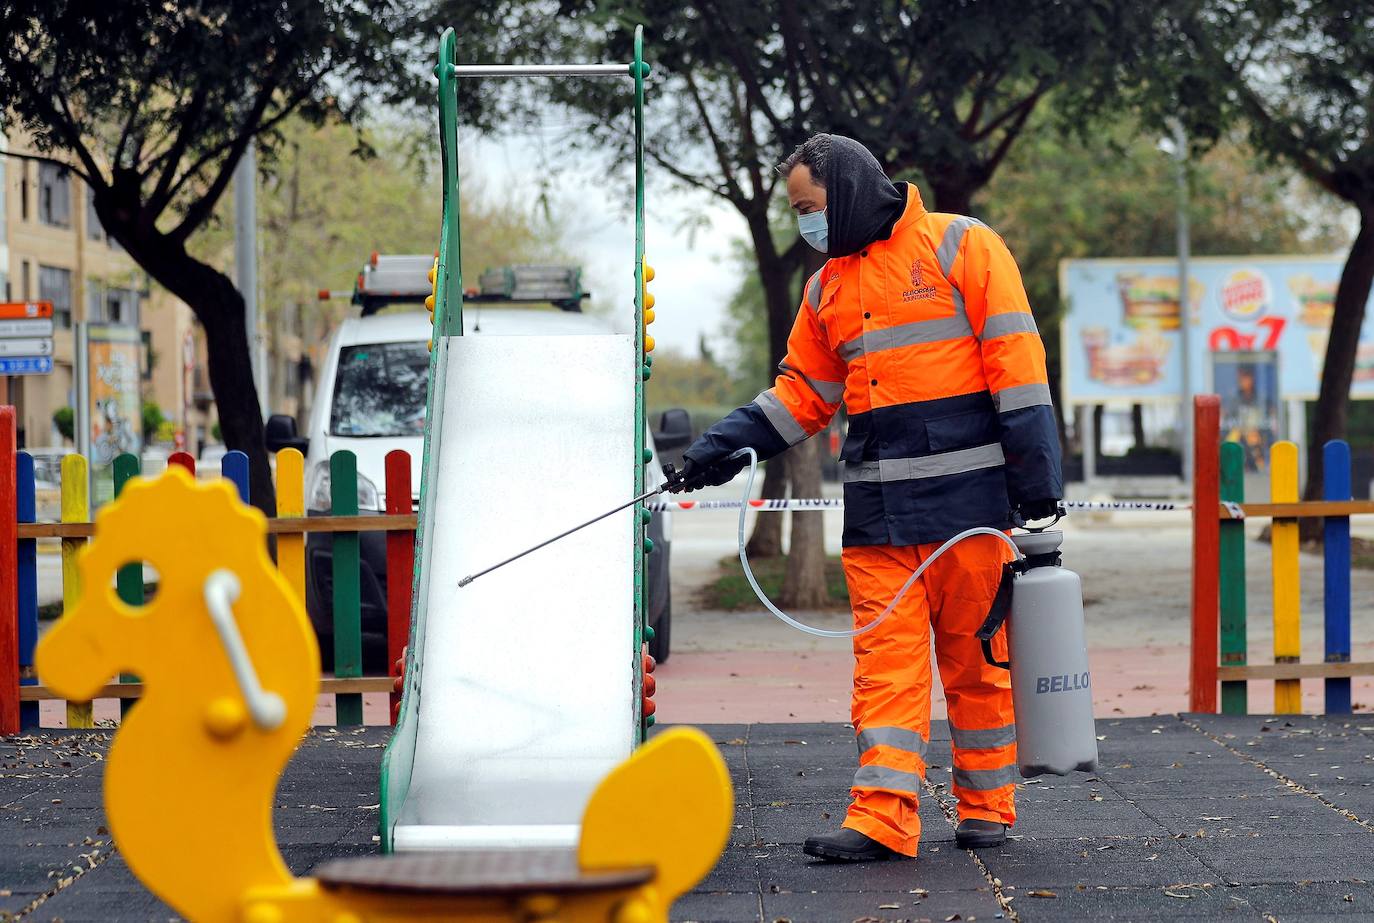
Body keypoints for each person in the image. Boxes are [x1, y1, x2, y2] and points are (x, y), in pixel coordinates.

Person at [670, 134, 1063, 862]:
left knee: (978, 665)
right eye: (794, 212)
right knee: (886, 668)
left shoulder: (961, 247)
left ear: (847, 188)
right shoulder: (826, 289)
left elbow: (1018, 368)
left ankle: (986, 805)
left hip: (970, 513)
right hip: (879, 518)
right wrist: (720, 447)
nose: (804, 226)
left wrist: (1038, 495)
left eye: (808, 207)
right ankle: (883, 817)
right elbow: (803, 395)